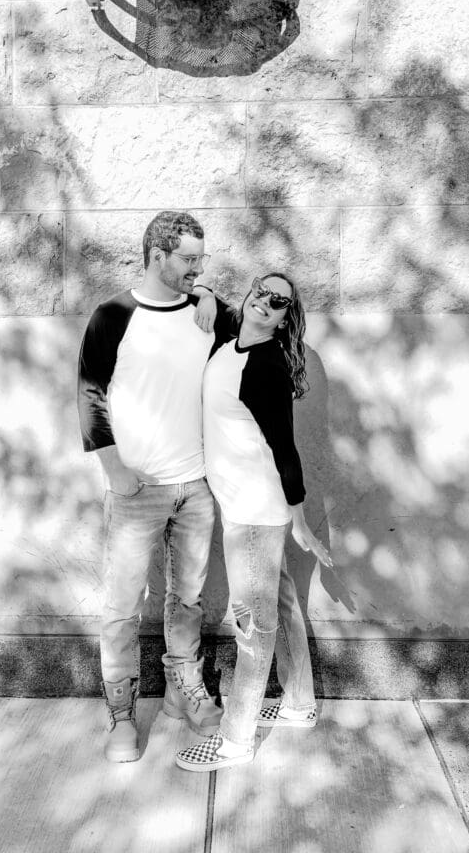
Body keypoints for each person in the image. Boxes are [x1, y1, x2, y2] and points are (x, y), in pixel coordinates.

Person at [78, 210, 234, 763]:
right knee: (122, 606)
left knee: (187, 598)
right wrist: (114, 469)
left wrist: (211, 292)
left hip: (195, 486)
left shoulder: (204, 311)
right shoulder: (114, 315)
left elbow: (254, 335)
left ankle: (180, 692)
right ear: (157, 256)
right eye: (189, 260)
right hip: (136, 491)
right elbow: (90, 392)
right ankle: (121, 715)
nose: (197, 268)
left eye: (201, 260)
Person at [176, 272, 333, 772]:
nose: (266, 304)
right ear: (248, 297)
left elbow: (285, 451)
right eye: (260, 294)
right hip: (244, 506)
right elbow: (215, 303)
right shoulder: (230, 339)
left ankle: (237, 738)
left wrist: (300, 521)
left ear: (287, 318)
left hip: (255, 513)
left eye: (279, 302)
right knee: (281, 604)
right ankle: (299, 703)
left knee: (254, 626)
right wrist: (201, 292)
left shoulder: (265, 366)